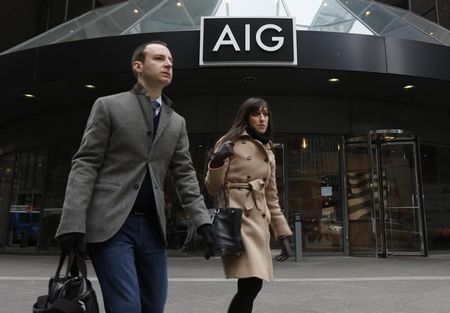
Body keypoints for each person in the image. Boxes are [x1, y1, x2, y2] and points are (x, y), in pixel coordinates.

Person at [55, 40, 215, 313]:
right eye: (159, 58)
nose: (168, 64)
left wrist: (203, 222)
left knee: (153, 306)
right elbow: (86, 164)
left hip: (153, 229)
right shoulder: (108, 106)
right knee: (126, 306)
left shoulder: (176, 121)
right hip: (111, 226)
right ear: (138, 66)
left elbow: (185, 174)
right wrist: (72, 222)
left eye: (171, 61)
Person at [205, 97, 293, 313]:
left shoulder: (268, 149)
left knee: (251, 284)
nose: (262, 119)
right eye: (256, 114)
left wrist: (282, 233)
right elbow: (212, 187)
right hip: (239, 219)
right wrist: (216, 160)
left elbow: (272, 196)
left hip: (259, 220)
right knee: (251, 284)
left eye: (265, 114)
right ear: (246, 117)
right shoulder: (229, 142)